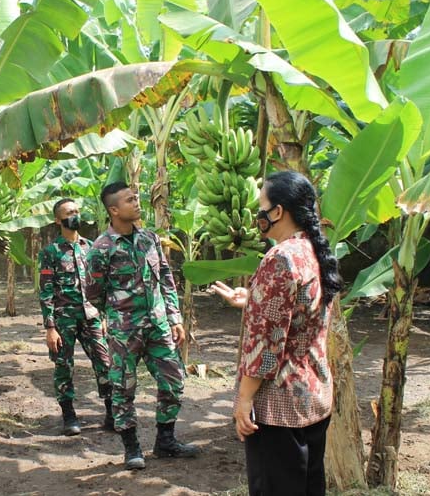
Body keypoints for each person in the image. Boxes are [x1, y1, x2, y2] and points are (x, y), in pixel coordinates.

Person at [210, 171, 342, 496]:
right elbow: (300, 312)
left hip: (280, 406)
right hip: (315, 396)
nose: (258, 216)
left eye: (261, 207)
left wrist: (244, 399)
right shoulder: (314, 251)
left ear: (278, 212)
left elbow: (267, 346)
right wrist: (251, 301)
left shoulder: (280, 258)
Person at [85, 182, 198, 470]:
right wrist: (118, 315)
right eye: (129, 200)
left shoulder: (150, 239)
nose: (137, 203)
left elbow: (166, 279)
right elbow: (94, 293)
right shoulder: (101, 248)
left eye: (136, 198)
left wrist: (174, 317)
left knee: (173, 382)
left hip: (158, 326)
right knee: (123, 388)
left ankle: (165, 440)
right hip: (125, 331)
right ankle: (132, 447)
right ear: (113, 210)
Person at [38, 198, 113, 435]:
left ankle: (112, 413)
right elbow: (46, 290)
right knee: (64, 366)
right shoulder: (51, 252)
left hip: (91, 316)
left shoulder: (90, 247)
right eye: (70, 212)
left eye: (77, 211)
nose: (75, 215)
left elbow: (99, 284)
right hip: (64, 319)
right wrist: (50, 327)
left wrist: (103, 316)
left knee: (104, 363)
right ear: (58, 220)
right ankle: (69, 416)